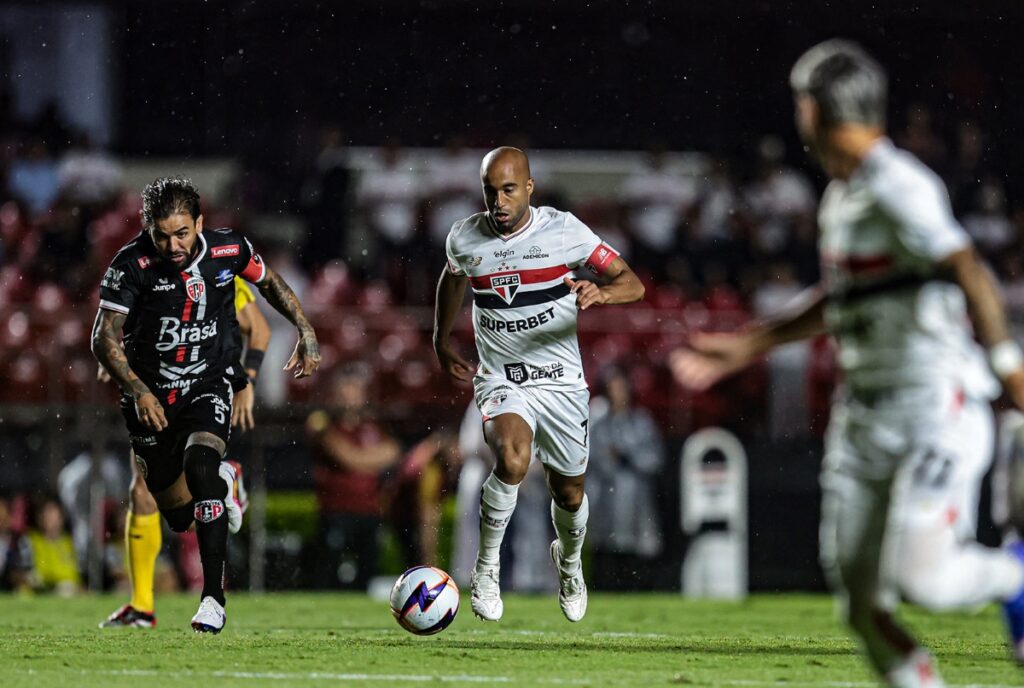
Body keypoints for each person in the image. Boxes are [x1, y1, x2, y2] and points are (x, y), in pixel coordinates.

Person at [671, 40, 1024, 686]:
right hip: (861, 415)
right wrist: (752, 343)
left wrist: (1009, 369)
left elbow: (969, 269)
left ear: (813, 109)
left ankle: (1015, 575)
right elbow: (842, 296)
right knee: (860, 606)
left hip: (930, 403)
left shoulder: (899, 186)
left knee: (924, 579)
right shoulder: (842, 196)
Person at [91, 177, 319, 633]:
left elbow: (270, 283)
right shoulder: (129, 265)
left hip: (208, 383)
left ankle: (212, 599)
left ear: (199, 222)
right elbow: (102, 336)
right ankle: (227, 480)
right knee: (177, 514)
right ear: (147, 229)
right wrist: (138, 389)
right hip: (153, 397)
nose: (173, 245)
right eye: (162, 235)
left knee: (200, 464)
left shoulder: (227, 251)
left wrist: (306, 331)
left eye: (182, 233)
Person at [433, 146, 645, 623]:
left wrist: (602, 291)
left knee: (569, 493)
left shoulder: (564, 231)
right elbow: (453, 279)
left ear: (530, 187)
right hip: (503, 378)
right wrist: (440, 338)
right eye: (491, 192)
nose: (499, 202)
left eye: (509, 190)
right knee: (510, 456)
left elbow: (633, 283)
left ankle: (569, 564)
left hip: (562, 384)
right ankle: (486, 569)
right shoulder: (465, 236)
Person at [99, 276, 271, 628]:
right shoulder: (145, 271)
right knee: (158, 503)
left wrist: (247, 381)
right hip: (154, 393)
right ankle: (142, 606)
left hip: (201, 395)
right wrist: (114, 357)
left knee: (196, 475)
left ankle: (223, 480)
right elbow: (128, 324)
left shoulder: (216, 271)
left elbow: (259, 329)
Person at [306, 364, 401, 590]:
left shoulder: (372, 426)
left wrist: (359, 459)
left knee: (366, 570)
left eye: (355, 390)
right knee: (328, 572)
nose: (350, 396)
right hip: (337, 511)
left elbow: (394, 452)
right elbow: (347, 456)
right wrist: (369, 459)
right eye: (346, 390)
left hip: (369, 510)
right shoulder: (324, 425)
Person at [587, 367, 665, 590]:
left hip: (637, 501)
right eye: (614, 388)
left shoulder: (642, 422)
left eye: (622, 388)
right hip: (606, 500)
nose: (619, 393)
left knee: (637, 554)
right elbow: (596, 458)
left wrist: (626, 456)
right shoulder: (600, 426)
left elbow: (654, 459)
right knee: (606, 553)